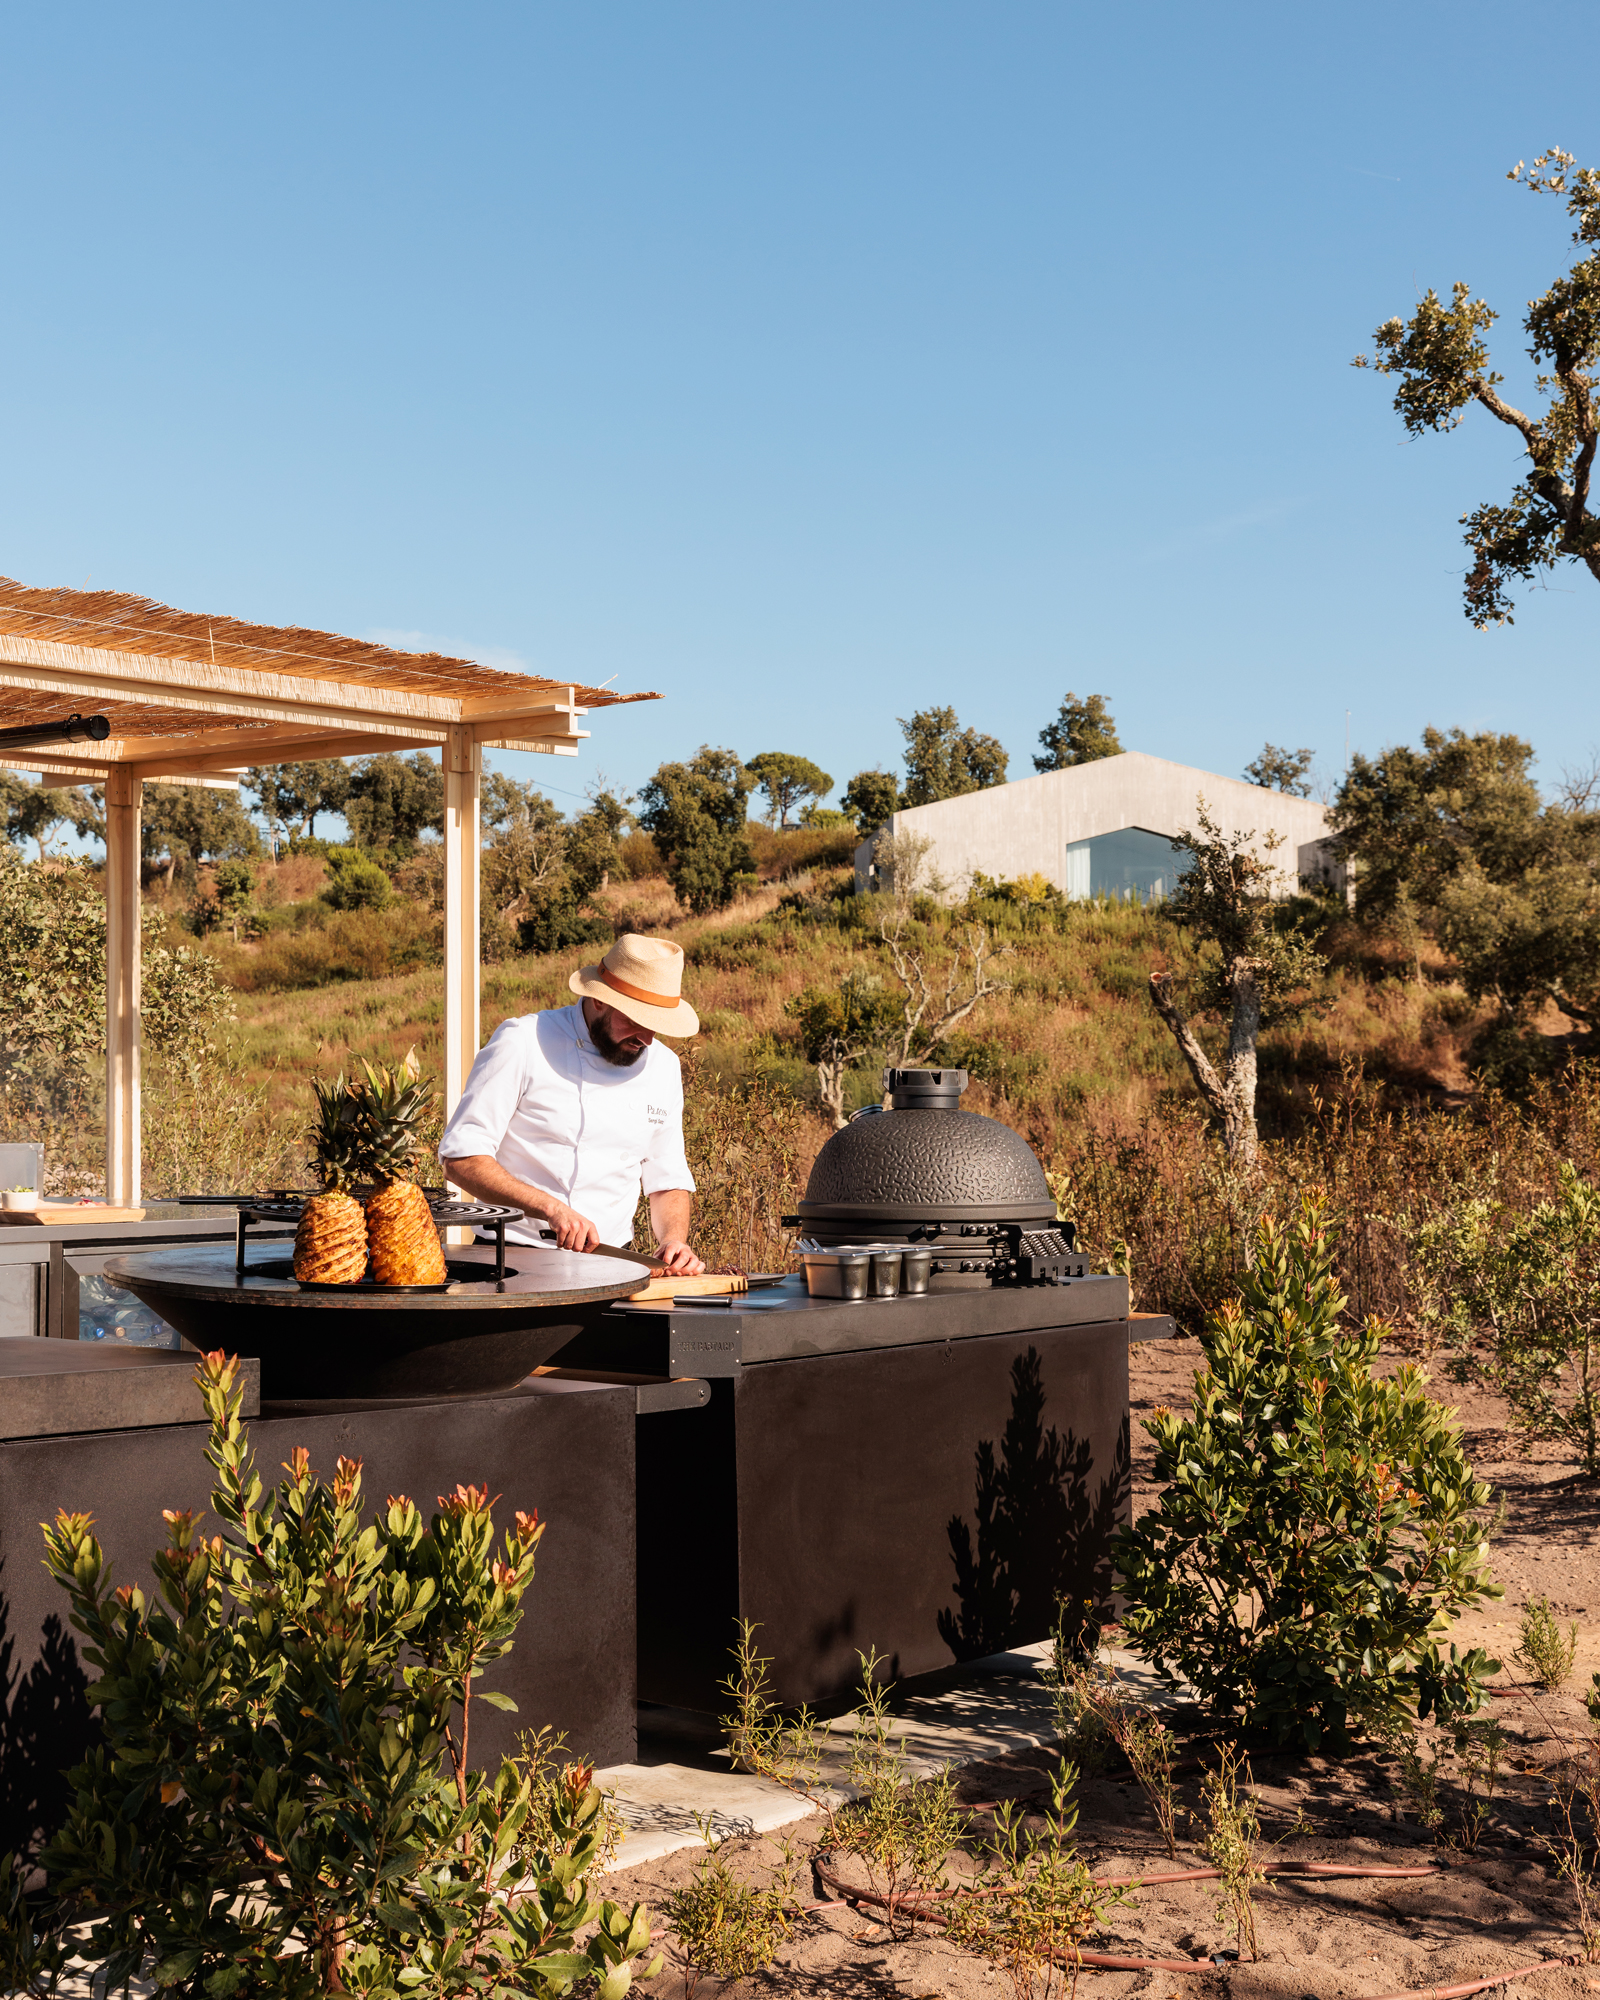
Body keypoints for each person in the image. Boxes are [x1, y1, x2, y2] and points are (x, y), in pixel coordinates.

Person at [439, 933, 706, 1274]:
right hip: (512, 1262)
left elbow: (666, 1178)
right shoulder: (523, 1041)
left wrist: (673, 1240)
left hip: (613, 1265)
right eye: (636, 1021)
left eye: (657, 1027)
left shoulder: (664, 1066)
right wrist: (550, 1208)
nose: (646, 1039)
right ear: (599, 1001)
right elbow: (460, 1158)